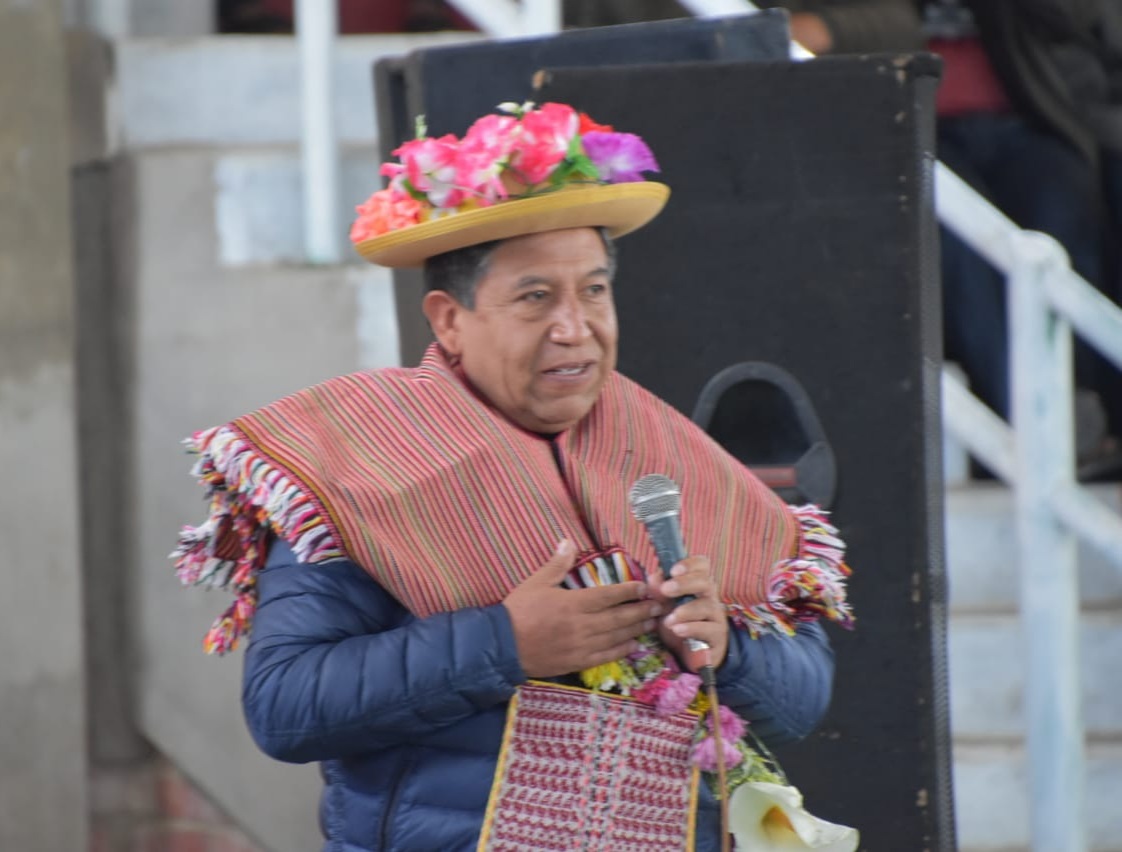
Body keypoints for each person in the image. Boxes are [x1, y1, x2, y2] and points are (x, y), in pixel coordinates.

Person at [173, 102, 853, 851]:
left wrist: (730, 649)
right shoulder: (363, 461)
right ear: (448, 320)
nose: (575, 326)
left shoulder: (673, 455)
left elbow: (804, 698)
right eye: (536, 298)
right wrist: (507, 643)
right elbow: (285, 707)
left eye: (594, 291)